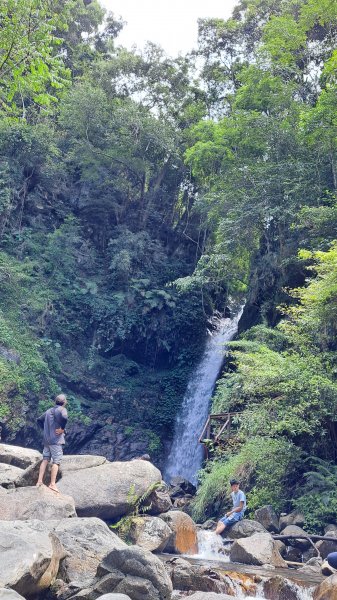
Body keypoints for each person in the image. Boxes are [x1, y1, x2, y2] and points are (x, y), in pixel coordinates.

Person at [36, 394, 68, 492]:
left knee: (45, 460)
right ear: (64, 402)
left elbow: (38, 420)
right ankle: (52, 484)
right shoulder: (62, 409)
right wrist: (62, 429)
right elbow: (65, 417)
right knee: (56, 462)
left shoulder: (48, 411)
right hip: (56, 441)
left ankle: (39, 482)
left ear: (55, 402)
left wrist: (45, 430)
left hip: (47, 441)